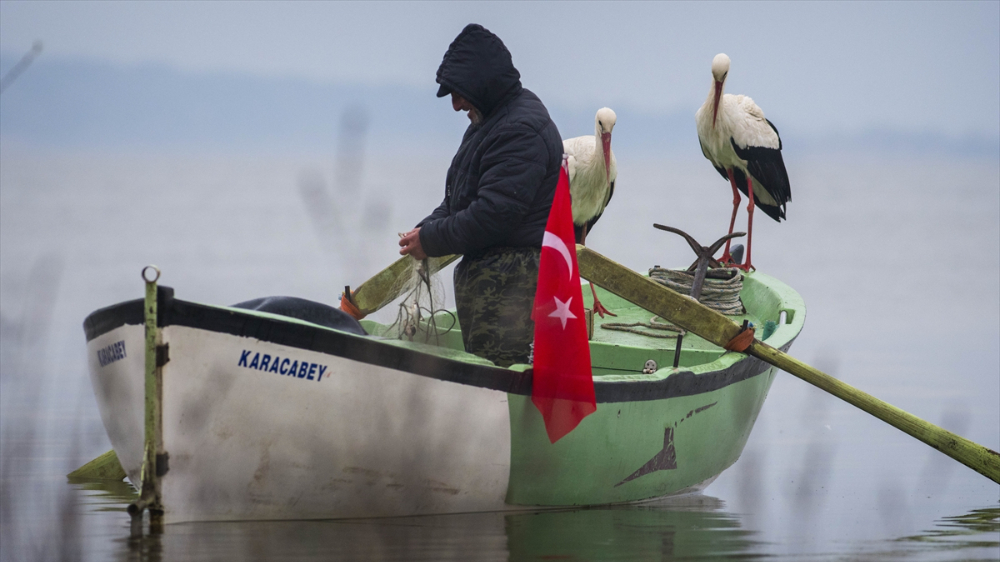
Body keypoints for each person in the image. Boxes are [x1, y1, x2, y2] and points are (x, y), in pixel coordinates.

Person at [398, 23, 563, 368]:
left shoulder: (519, 129)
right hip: (493, 284)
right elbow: (460, 200)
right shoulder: (488, 122)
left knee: (500, 377)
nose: (456, 105)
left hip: (512, 286)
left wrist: (431, 239)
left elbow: (493, 215)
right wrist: (424, 230)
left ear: (482, 83)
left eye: (459, 93)